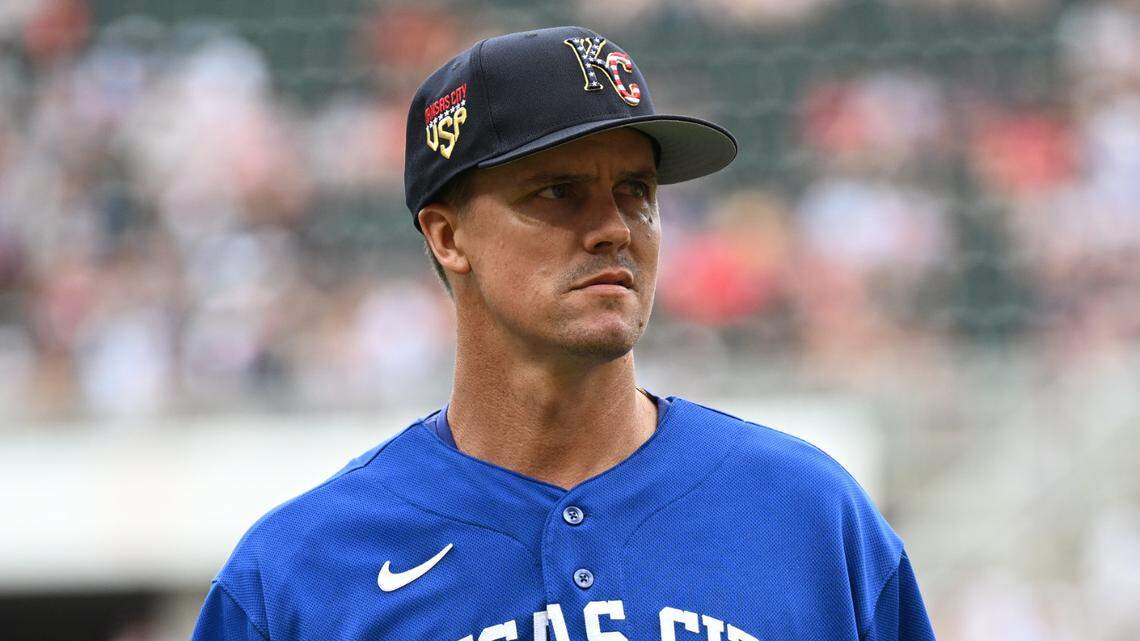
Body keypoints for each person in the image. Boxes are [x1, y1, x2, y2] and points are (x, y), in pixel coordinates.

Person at [191, 26, 936, 641]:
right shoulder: (300, 571)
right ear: (449, 235)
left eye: (635, 192)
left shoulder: (810, 515)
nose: (614, 227)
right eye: (559, 192)